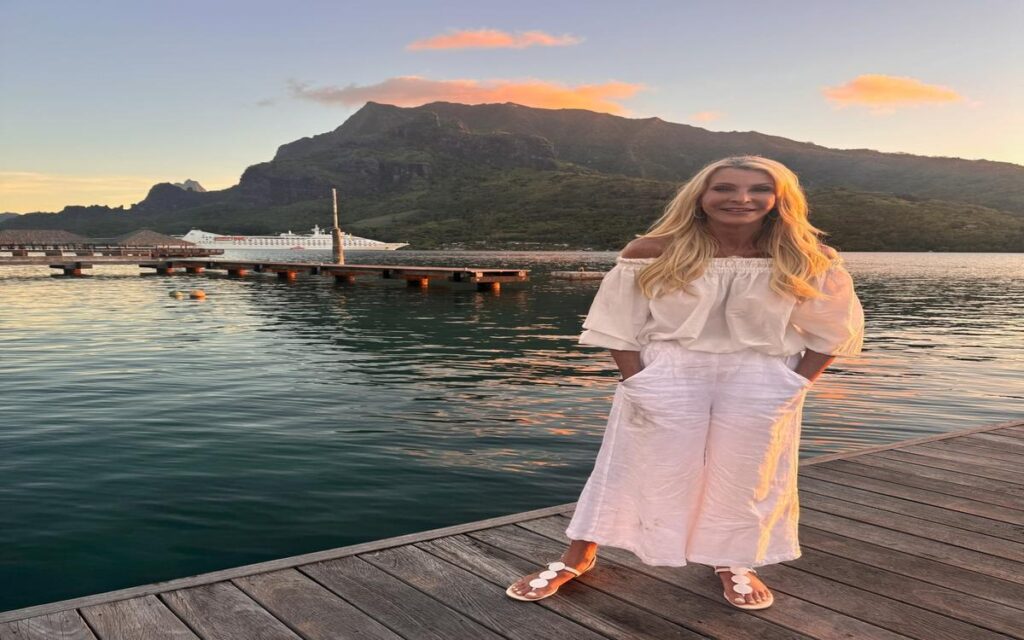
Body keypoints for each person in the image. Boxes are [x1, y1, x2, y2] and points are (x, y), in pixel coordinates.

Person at [506, 156, 865, 610]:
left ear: (778, 200)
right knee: (630, 461)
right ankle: (578, 557)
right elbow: (619, 325)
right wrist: (638, 380)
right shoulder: (652, 250)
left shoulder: (808, 258)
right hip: (671, 369)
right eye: (725, 188)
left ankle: (732, 559)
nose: (741, 198)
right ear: (701, 195)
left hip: (761, 373)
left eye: (758, 189)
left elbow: (835, 329)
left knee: (747, 472)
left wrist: (795, 384)